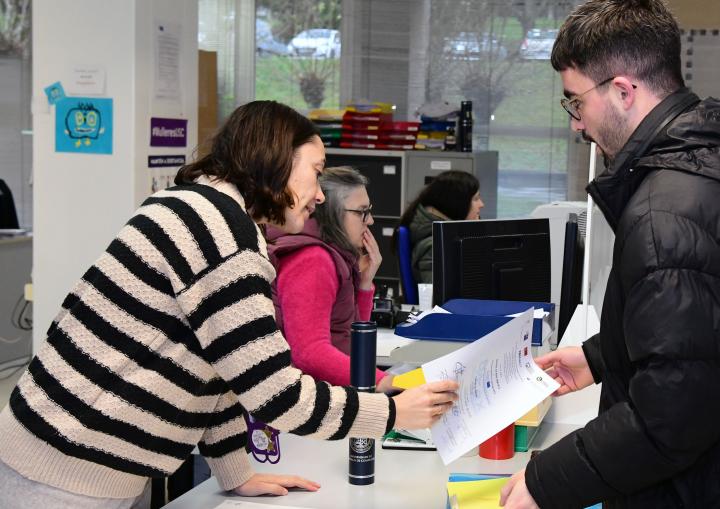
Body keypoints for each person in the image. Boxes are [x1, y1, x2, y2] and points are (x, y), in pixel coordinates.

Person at [0, 100, 457, 508]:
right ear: (277, 160)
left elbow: (216, 371)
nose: (320, 195)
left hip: (76, 453)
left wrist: (235, 474)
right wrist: (392, 413)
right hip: (66, 466)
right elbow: (275, 392)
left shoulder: (197, 207)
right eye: (316, 172)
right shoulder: (224, 236)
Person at [500, 1, 720, 508]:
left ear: (623, 91)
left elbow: (675, 415)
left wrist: (546, 482)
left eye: (575, 102)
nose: (575, 124)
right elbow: (716, 330)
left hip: (716, 488)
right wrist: (598, 357)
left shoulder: (669, 212)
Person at [267, 166, 395, 390]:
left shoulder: (333, 255)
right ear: (332, 213)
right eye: (361, 212)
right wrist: (379, 380)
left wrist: (364, 284)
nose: (371, 221)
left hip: (329, 393)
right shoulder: (313, 260)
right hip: (310, 401)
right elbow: (310, 353)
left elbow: (349, 339)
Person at [395, 170, 484, 283]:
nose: (481, 204)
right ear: (456, 203)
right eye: (476, 199)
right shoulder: (434, 246)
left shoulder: (445, 234)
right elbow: (439, 297)